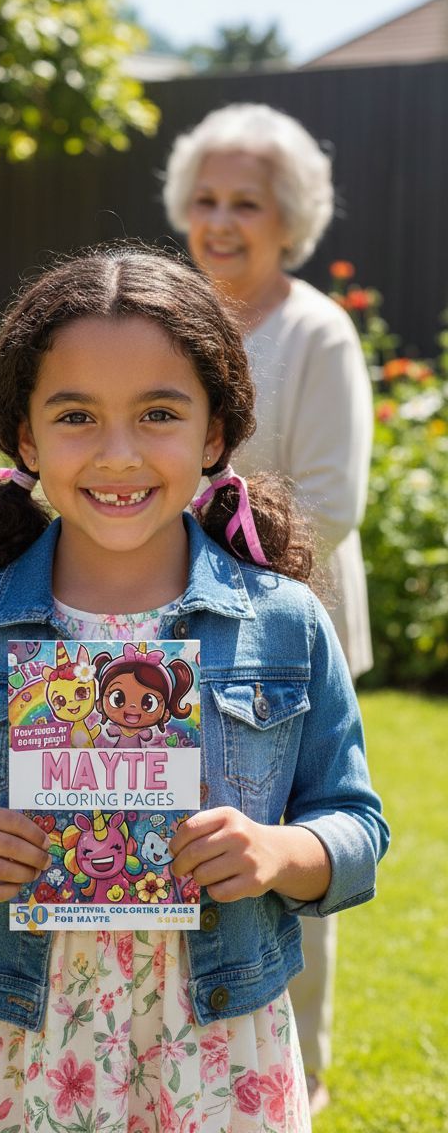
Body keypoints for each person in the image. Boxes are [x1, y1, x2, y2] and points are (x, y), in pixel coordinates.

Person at [0, 245, 388, 1133]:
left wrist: (276, 853)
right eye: (76, 416)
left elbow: (356, 826)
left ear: (215, 432)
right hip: (19, 1041)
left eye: (157, 414)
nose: (118, 454)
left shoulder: (285, 623)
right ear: (25, 437)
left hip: (218, 1046)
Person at [163, 104, 375, 1113]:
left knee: (289, 849)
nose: (219, 221)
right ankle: (186, 1058)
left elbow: (332, 503)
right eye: (204, 199)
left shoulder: (315, 330)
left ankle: (301, 1072)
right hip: (166, 629)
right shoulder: (167, 316)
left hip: (288, 635)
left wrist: (195, 557)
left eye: (243, 202)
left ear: (288, 218)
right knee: (190, 833)